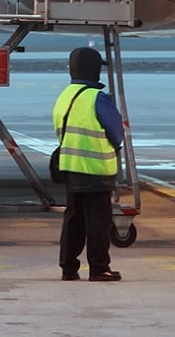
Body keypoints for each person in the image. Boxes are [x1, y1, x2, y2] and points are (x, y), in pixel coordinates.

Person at [52, 44, 126, 282]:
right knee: (98, 221)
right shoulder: (98, 98)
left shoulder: (64, 96)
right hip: (96, 169)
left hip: (71, 166)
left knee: (74, 219)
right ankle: (98, 267)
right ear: (95, 70)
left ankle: (69, 269)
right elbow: (116, 131)